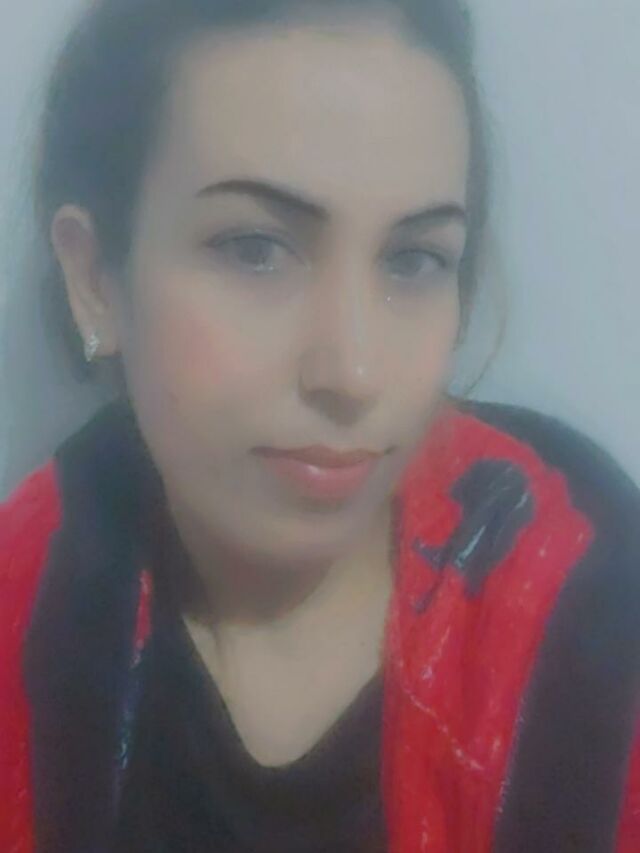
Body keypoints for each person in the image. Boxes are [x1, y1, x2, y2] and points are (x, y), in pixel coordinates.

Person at [1, 0, 640, 850]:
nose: (353, 372)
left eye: (413, 259)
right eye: (255, 248)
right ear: (95, 281)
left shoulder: (594, 609)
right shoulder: (27, 611)